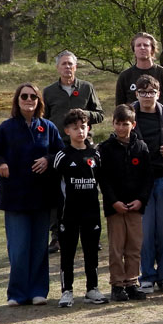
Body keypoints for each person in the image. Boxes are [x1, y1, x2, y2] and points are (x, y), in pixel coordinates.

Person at [0, 84, 64, 306]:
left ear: (39, 101)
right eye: (24, 96)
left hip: (42, 197)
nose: (29, 100)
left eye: (33, 96)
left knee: (39, 248)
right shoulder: (7, 127)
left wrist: (48, 159)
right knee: (19, 248)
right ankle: (17, 293)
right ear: (17, 100)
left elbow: (61, 152)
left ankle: (38, 291)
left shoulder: (48, 127)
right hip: (15, 198)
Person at [42, 49, 105, 254]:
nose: (67, 67)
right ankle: (57, 236)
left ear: (76, 67)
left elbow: (100, 114)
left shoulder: (87, 88)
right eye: (64, 64)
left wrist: (82, 115)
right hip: (59, 146)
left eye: (70, 64)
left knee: (88, 189)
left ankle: (91, 234)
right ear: (57, 67)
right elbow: (43, 119)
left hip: (84, 147)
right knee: (57, 192)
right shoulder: (49, 92)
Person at [52, 108, 109, 306]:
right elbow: (54, 186)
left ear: (89, 128)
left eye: (83, 127)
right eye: (75, 128)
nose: (80, 131)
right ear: (67, 131)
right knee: (67, 253)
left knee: (91, 252)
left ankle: (92, 289)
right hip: (68, 214)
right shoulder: (62, 156)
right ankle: (66, 291)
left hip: (91, 213)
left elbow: (102, 182)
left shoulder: (95, 154)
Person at [99, 104, 153, 303]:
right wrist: (114, 202)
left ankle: (132, 282)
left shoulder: (141, 147)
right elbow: (103, 179)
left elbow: (148, 177)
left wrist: (141, 200)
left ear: (133, 124)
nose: (121, 128)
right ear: (113, 124)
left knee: (134, 247)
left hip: (135, 207)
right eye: (118, 124)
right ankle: (117, 285)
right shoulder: (105, 148)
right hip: (115, 208)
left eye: (125, 124)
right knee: (116, 248)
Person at [131, 74, 163, 293]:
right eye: (143, 92)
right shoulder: (129, 116)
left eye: (151, 92)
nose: (147, 96)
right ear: (136, 94)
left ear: (158, 94)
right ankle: (147, 275)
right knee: (145, 231)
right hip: (140, 181)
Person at [115, 31, 163, 116]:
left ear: (152, 49)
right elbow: (119, 108)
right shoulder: (125, 76)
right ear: (134, 49)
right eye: (138, 45)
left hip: (160, 122)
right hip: (133, 123)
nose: (142, 48)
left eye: (146, 45)